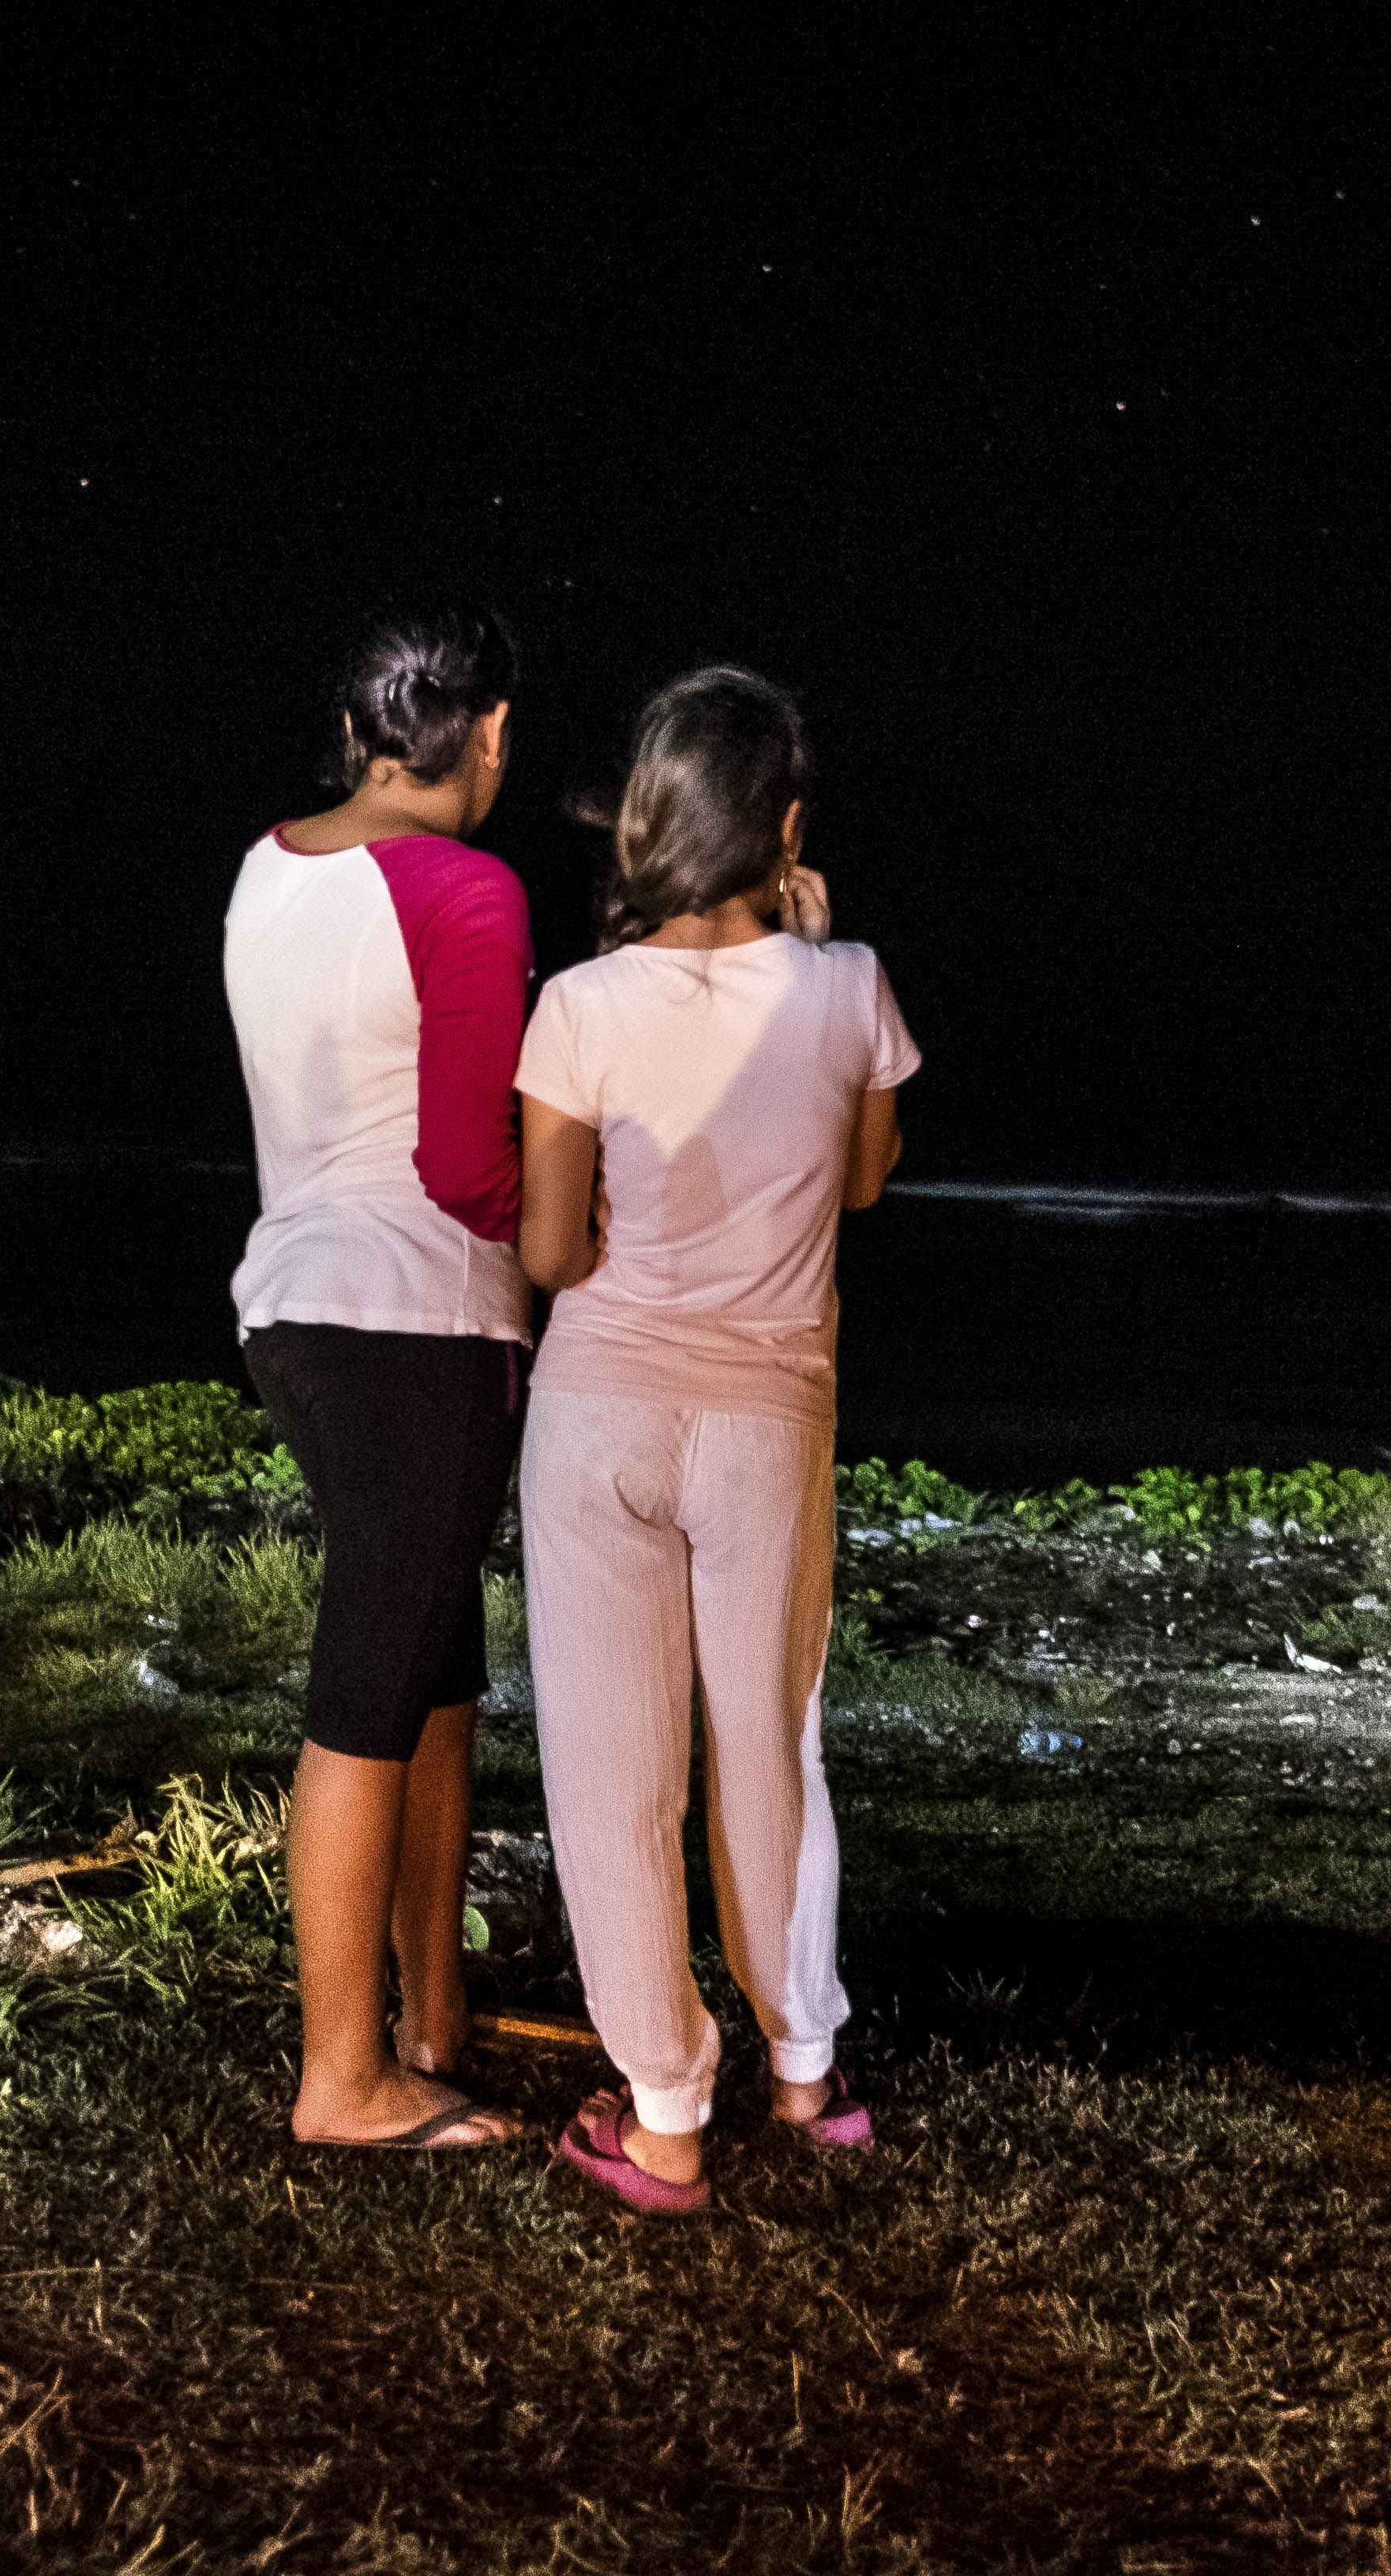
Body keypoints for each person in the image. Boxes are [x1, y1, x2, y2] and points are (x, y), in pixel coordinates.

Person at [513, 666, 914, 2215]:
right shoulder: (848, 985)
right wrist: (807, 952)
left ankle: (667, 2118)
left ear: (650, 821)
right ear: (787, 825)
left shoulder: (578, 1008)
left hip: (600, 1409)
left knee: (613, 1772)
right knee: (773, 1742)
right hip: (769, 1419)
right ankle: (804, 2071)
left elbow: (550, 1252)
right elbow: (864, 1178)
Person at [221, 603, 533, 2151]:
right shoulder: (465, 888)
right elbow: (473, 1169)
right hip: (413, 1321)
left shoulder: (270, 865)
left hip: (299, 1308)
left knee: (435, 1667)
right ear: (486, 736)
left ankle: (433, 2019)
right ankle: (343, 2079)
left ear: (357, 734)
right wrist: (596, 1238)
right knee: (369, 1686)